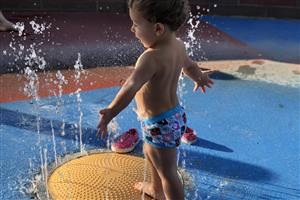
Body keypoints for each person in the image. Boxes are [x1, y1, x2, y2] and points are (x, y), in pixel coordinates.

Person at [97, 0, 214, 199]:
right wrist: (199, 77)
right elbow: (190, 66)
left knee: (168, 172)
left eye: (136, 23)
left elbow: (130, 88)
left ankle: (166, 192)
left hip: (161, 124)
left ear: (157, 28)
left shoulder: (150, 58)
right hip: (171, 118)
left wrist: (110, 112)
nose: (132, 28)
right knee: (149, 151)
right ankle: (155, 189)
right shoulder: (178, 46)